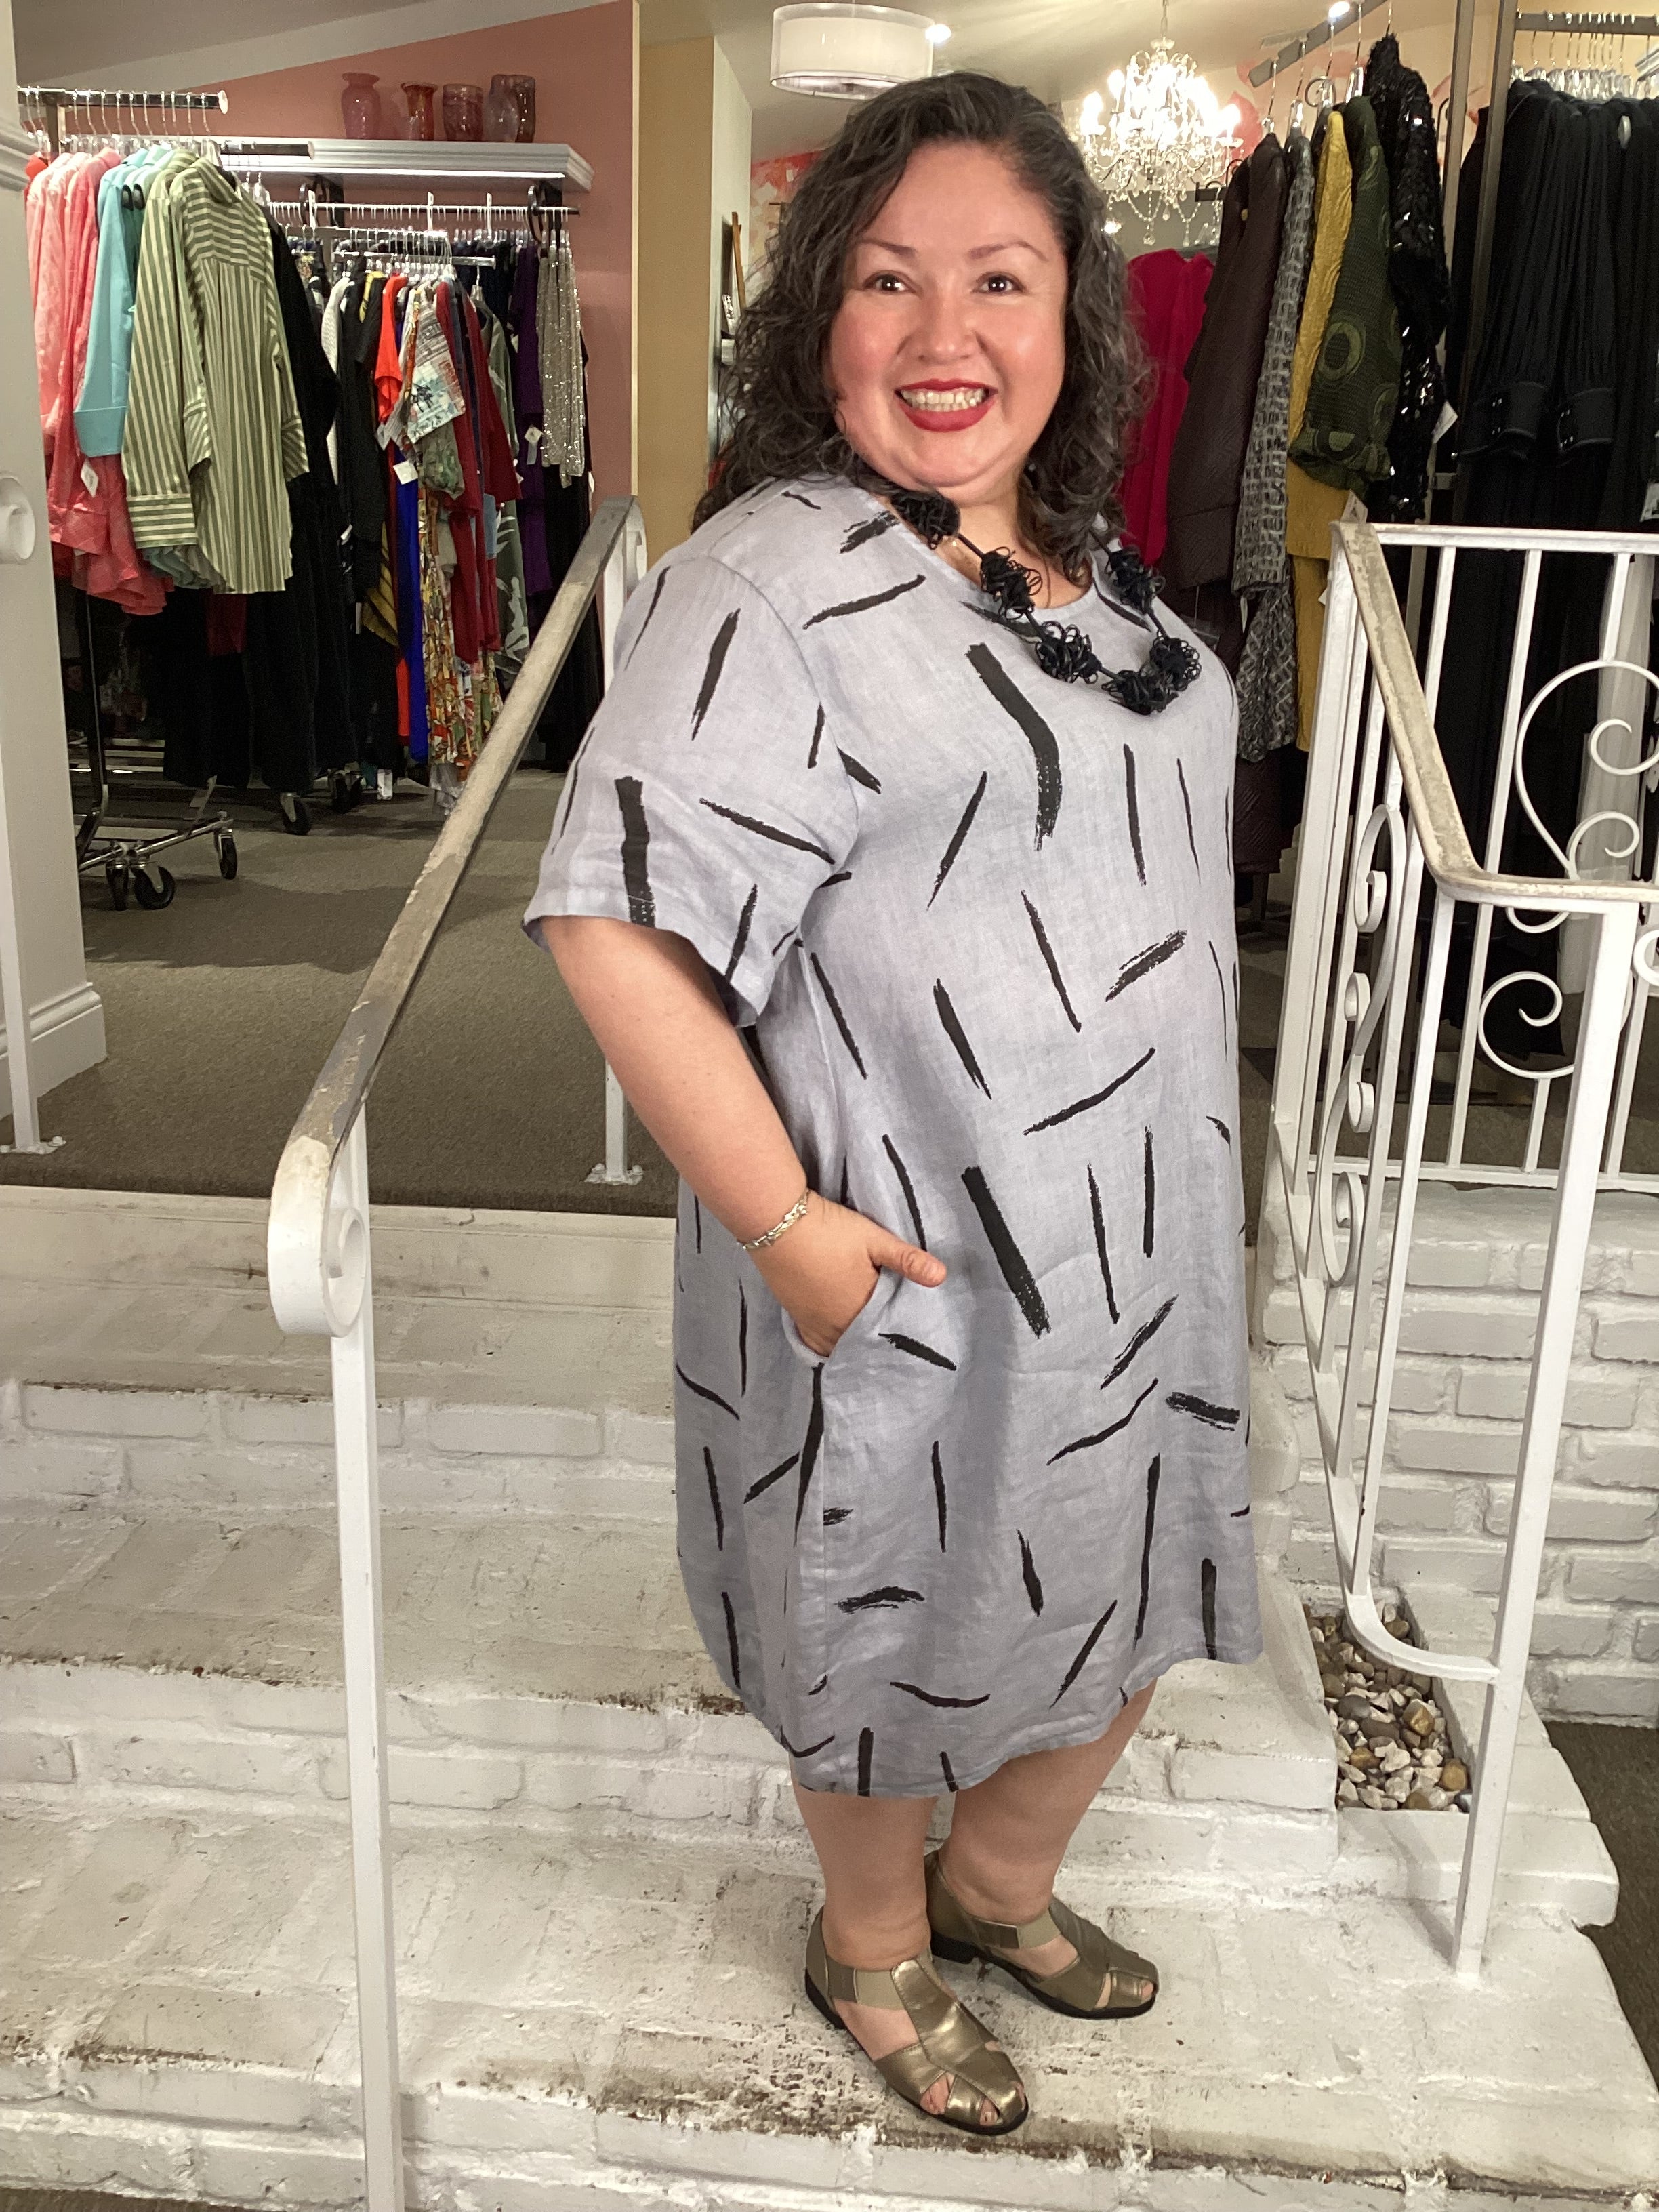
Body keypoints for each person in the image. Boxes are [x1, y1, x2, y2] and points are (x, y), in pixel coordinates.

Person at [527, 70, 1259, 2137]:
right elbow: (610, 921)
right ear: (817, 319)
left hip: (1138, 1256)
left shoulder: (1098, 583)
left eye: (1000, 280)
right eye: (887, 281)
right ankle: (870, 1947)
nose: (947, 336)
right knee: (887, 1611)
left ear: (1073, 314)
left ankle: (996, 1890)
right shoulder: (775, 580)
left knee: (1123, 1575)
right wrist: (793, 1240)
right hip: (905, 1238)